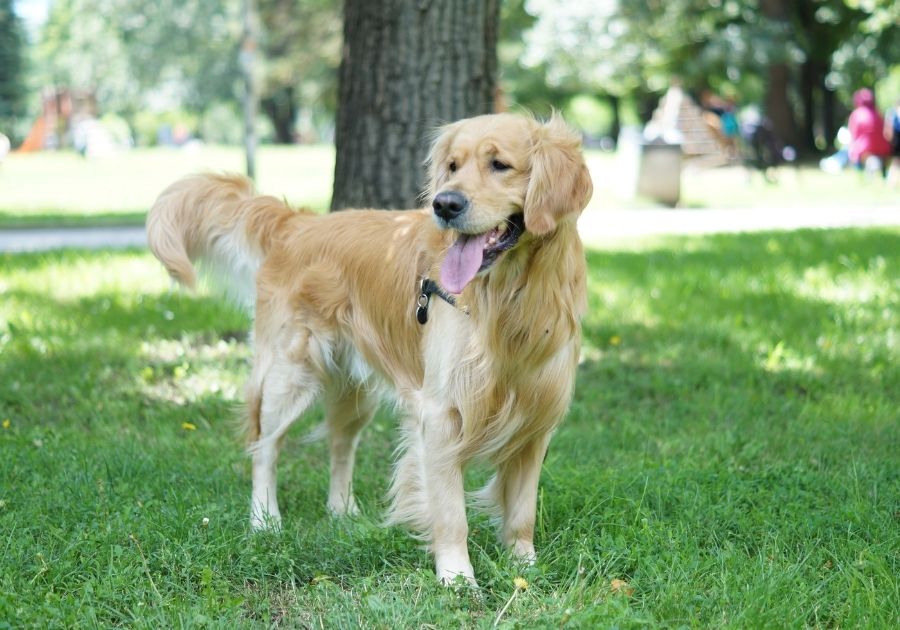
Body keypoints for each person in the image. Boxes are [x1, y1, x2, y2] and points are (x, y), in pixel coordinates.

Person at [848, 88, 891, 175]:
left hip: (864, 149)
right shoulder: (878, 113)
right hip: (882, 148)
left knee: (853, 150)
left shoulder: (856, 114)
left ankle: (861, 172)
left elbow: (854, 136)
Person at [884, 99, 900, 187]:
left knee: (895, 162)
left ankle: (891, 182)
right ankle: (891, 182)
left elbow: (888, 132)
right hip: (897, 141)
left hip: (895, 142)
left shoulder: (892, 113)